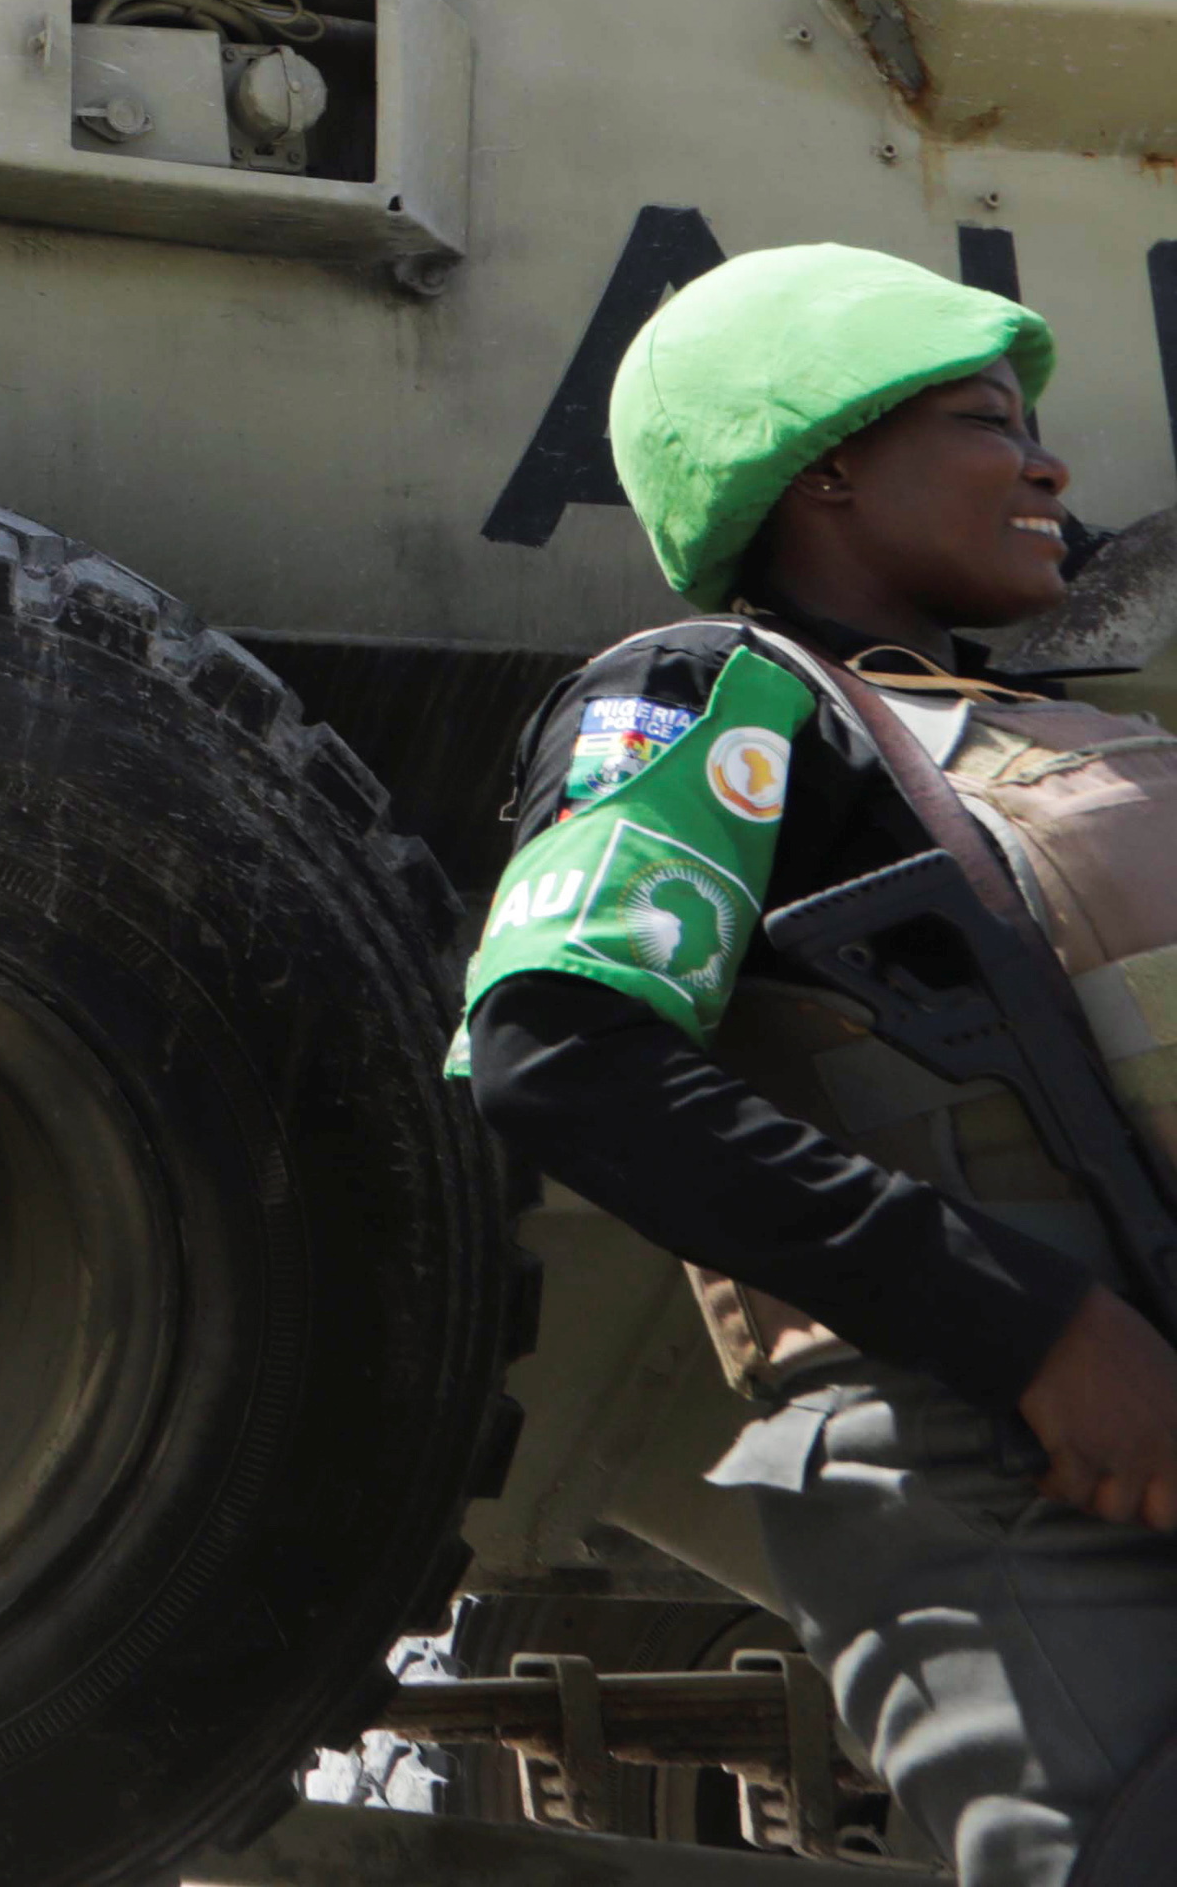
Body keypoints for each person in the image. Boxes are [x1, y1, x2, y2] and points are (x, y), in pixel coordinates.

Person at [461, 242, 1177, 1883]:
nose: (1051, 461)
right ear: (826, 458)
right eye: (989, 417)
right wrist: (1043, 1328)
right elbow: (556, 1045)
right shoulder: (716, 696)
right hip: (1014, 1461)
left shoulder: (1035, 727)